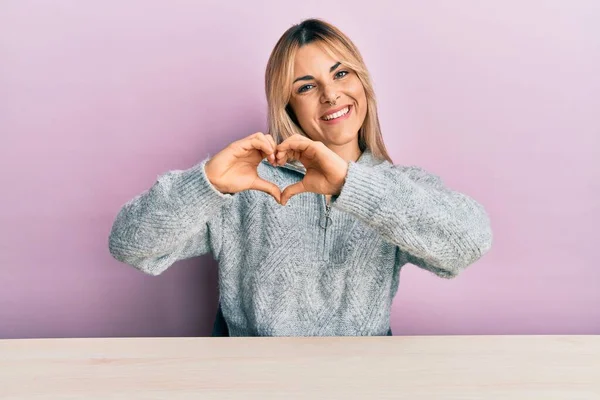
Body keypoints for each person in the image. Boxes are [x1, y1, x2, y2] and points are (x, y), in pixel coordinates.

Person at [108, 18, 493, 337]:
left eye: (341, 73)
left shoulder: (396, 187)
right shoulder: (247, 182)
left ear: (362, 83)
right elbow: (130, 244)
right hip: (253, 386)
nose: (330, 94)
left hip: (363, 385)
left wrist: (351, 185)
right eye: (306, 86)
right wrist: (207, 182)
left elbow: (469, 242)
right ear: (287, 104)